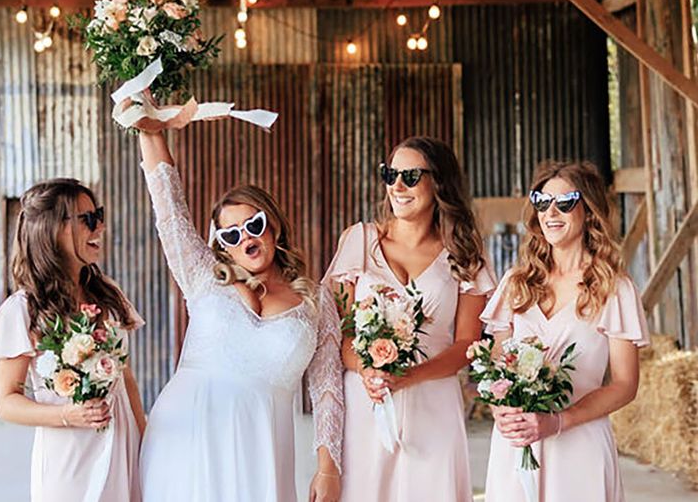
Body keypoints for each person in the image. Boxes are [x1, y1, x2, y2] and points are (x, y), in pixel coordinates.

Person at [136, 125, 343, 502]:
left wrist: (328, 467)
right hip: (186, 435)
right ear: (223, 247)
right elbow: (168, 207)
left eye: (254, 225)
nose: (245, 238)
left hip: (261, 448)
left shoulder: (317, 299)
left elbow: (328, 387)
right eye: (230, 235)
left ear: (274, 226)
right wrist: (149, 128)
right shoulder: (201, 276)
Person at [325, 136, 495, 502]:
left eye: (411, 176)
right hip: (367, 400)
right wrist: (369, 372)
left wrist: (411, 376)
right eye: (390, 174)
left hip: (434, 401)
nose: (397, 186)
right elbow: (338, 332)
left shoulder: (465, 251)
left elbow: (468, 342)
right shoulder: (359, 240)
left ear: (439, 182)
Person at [482, 160, 650, 502]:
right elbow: (497, 369)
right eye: (542, 202)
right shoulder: (516, 284)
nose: (551, 212)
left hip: (579, 446)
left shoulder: (614, 289)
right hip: (516, 446)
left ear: (588, 211)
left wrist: (558, 421)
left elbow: (624, 384)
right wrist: (500, 409)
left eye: (565, 202)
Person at [0, 178, 146, 502]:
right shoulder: (24, 309)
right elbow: (6, 401)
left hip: (122, 449)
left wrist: (144, 443)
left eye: (99, 214)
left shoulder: (108, 295)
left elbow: (127, 379)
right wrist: (68, 415)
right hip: (69, 459)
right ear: (54, 230)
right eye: (88, 219)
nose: (101, 226)